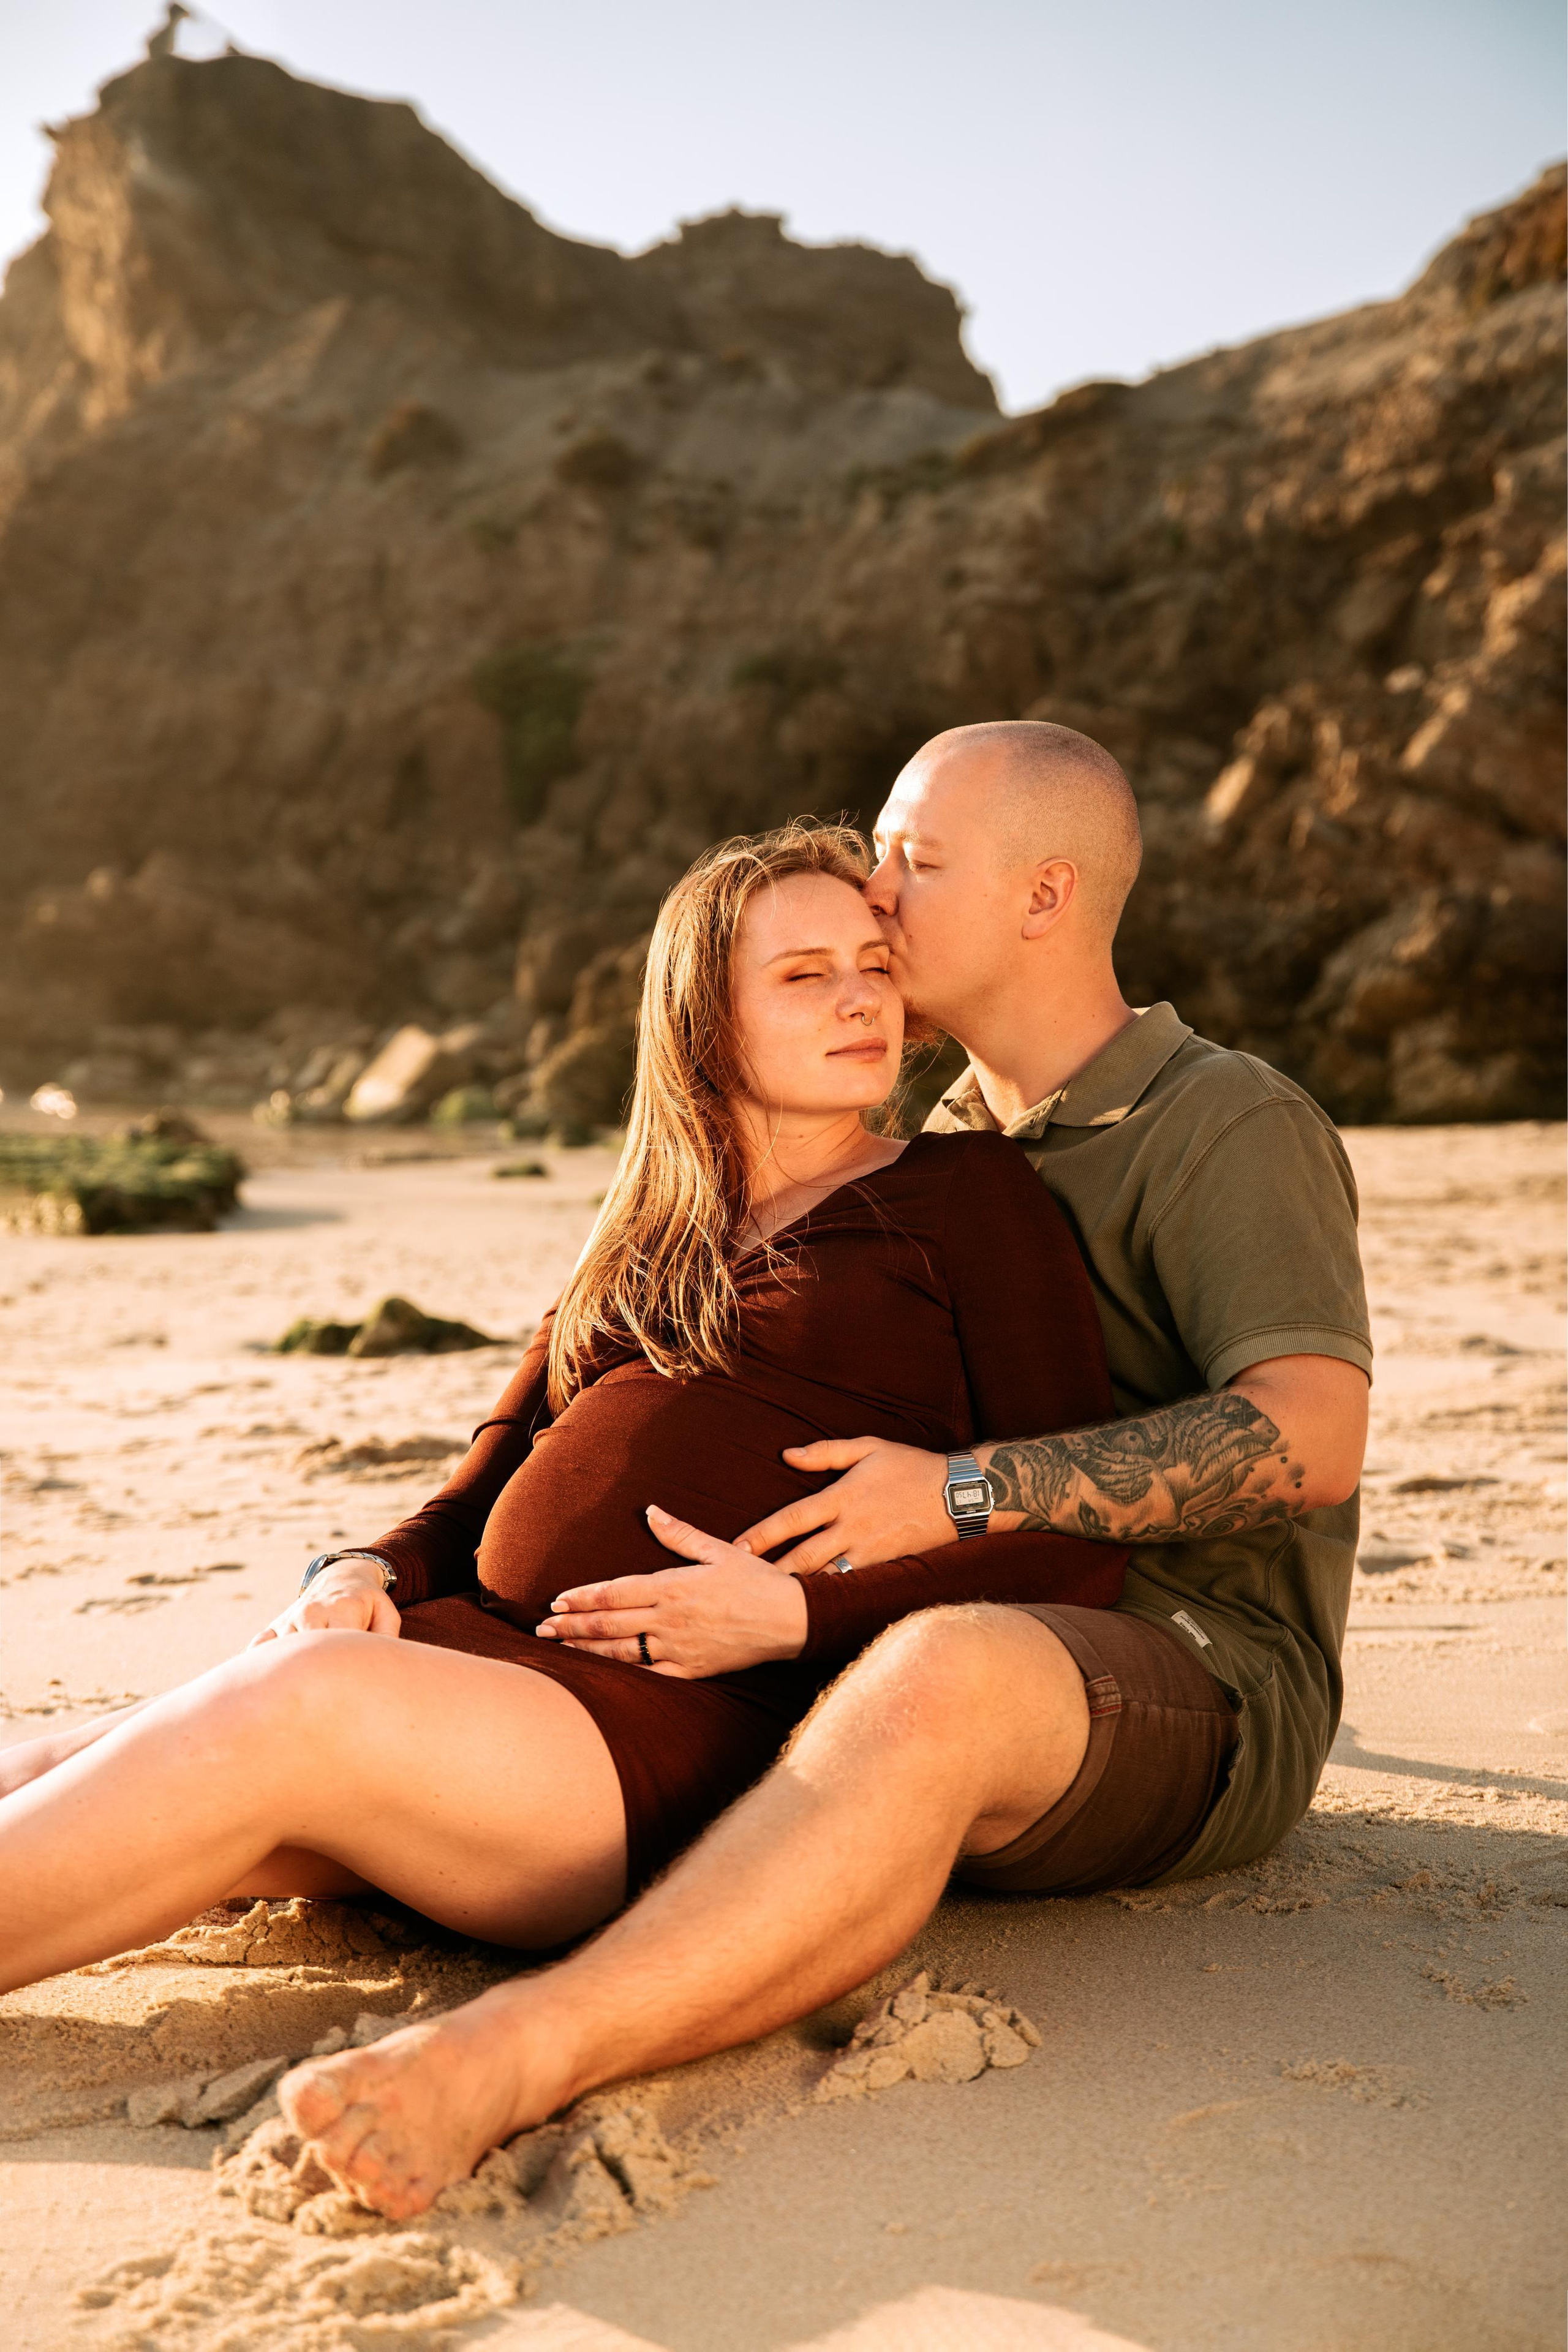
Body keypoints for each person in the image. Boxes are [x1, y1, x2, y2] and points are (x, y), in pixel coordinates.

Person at [273, 718, 1373, 2222]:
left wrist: (956, 1496)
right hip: (886, 1632)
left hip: (1181, 1663)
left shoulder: (1217, 1120)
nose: (876, 885)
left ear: (1042, 895)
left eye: (913, 860)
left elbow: (1309, 1437)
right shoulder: (935, 1138)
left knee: (945, 1669)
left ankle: (517, 2056)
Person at [0, 820, 1121, 1991]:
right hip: (465, 1665)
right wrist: (356, 1574)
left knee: (285, 1703)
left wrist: (799, 1615)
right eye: (805, 975)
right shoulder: (646, 1231)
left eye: (874, 966)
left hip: (669, 1727)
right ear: (704, 1018)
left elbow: (1078, 1540)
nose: (860, 999)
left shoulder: (964, 1194)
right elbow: (476, 1493)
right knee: (69, 1766)